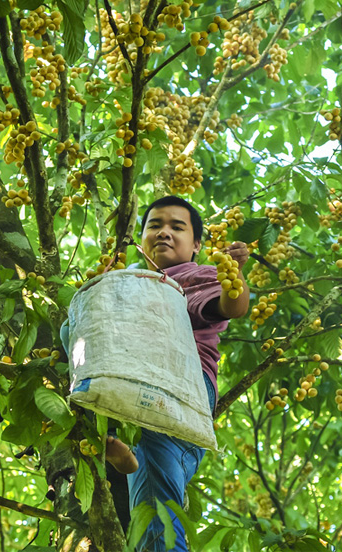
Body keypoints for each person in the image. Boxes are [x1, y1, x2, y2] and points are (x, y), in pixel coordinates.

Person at [105, 195, 250, 552]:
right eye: (154, 225)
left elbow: (230, 305)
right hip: (137, 387)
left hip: (181, 382)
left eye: (177, 226)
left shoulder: (192, 275)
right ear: (141, 239)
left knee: (157, 504)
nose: (164, 232)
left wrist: (234, 276)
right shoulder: (130, 282)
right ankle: (114, 442)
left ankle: (124, 449)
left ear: (196, 245)